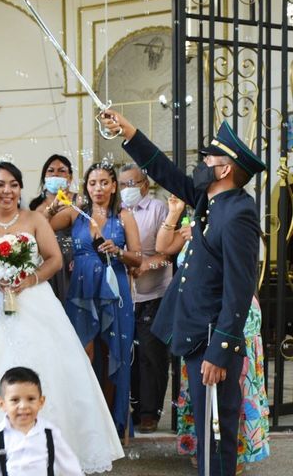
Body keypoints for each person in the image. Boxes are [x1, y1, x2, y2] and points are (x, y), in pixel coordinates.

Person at [102, 110, 265, 476]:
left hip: (212, 339)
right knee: (207, 431)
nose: (202, 163)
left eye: (210, 158)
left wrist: (220, 352)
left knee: (218, 432)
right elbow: (166, 172)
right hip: (195, 332)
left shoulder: (239, 212)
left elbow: (239, 289)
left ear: (224, 170)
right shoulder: (210, 199)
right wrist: (129, 132)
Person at [0, 160, 123, 475]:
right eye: (0, 184)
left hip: (34, 301)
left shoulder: (34, 218)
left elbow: (54, 259)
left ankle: (52, 448)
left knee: (48, 366)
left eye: (14, 185)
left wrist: (30, 279)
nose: (7, 191)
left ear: (20, 189)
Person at [156, 196, 270, 474]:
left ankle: (235, 452)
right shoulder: (196, 228)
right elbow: (162, 248)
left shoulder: (234, 227)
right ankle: (203, 447)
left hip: (230, 317)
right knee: (200, 388)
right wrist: (173, 214)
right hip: (197, 322)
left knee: (235, 385)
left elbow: (239, 281)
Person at [47, 161, 142, 436]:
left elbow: (138, 257)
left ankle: (113, 426)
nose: (98, 188)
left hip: (114, 289)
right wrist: (53, 206)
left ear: (113, 186)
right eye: (92, 183)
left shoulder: (124, 216)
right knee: (82, 352)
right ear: (85, 187)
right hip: (81, 290)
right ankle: (85, 422)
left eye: (103, 182)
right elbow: (39, 227)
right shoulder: (75, 214)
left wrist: (120, 252)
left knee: (114, 352)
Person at [118, 163, 172, 433]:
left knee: (152, 354)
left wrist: (144, 265)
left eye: (132, 183)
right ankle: (133, 408)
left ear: (144, 184)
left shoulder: (159, 209)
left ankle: (150, 412)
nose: (127, 190)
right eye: (122, 184)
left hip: (154, 292)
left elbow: (168, 251)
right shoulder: (117, 212)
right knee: (131, 354)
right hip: (125, 295)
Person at [0, 366, 84, 476]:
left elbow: (70, 466)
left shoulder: (50, 433)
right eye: (15, 400)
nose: (23, 406)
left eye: (31, 399)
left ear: (41, 402)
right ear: (2, 404)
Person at [30, 154, 77, 303]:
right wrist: (51, 210)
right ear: (44, 177)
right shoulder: (35, 206)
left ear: (70, 177)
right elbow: (33, 232)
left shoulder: (79, 202)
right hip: (43, 263)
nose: (55, 174)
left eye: (61, 171)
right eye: (50, 171)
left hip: (70, 264)